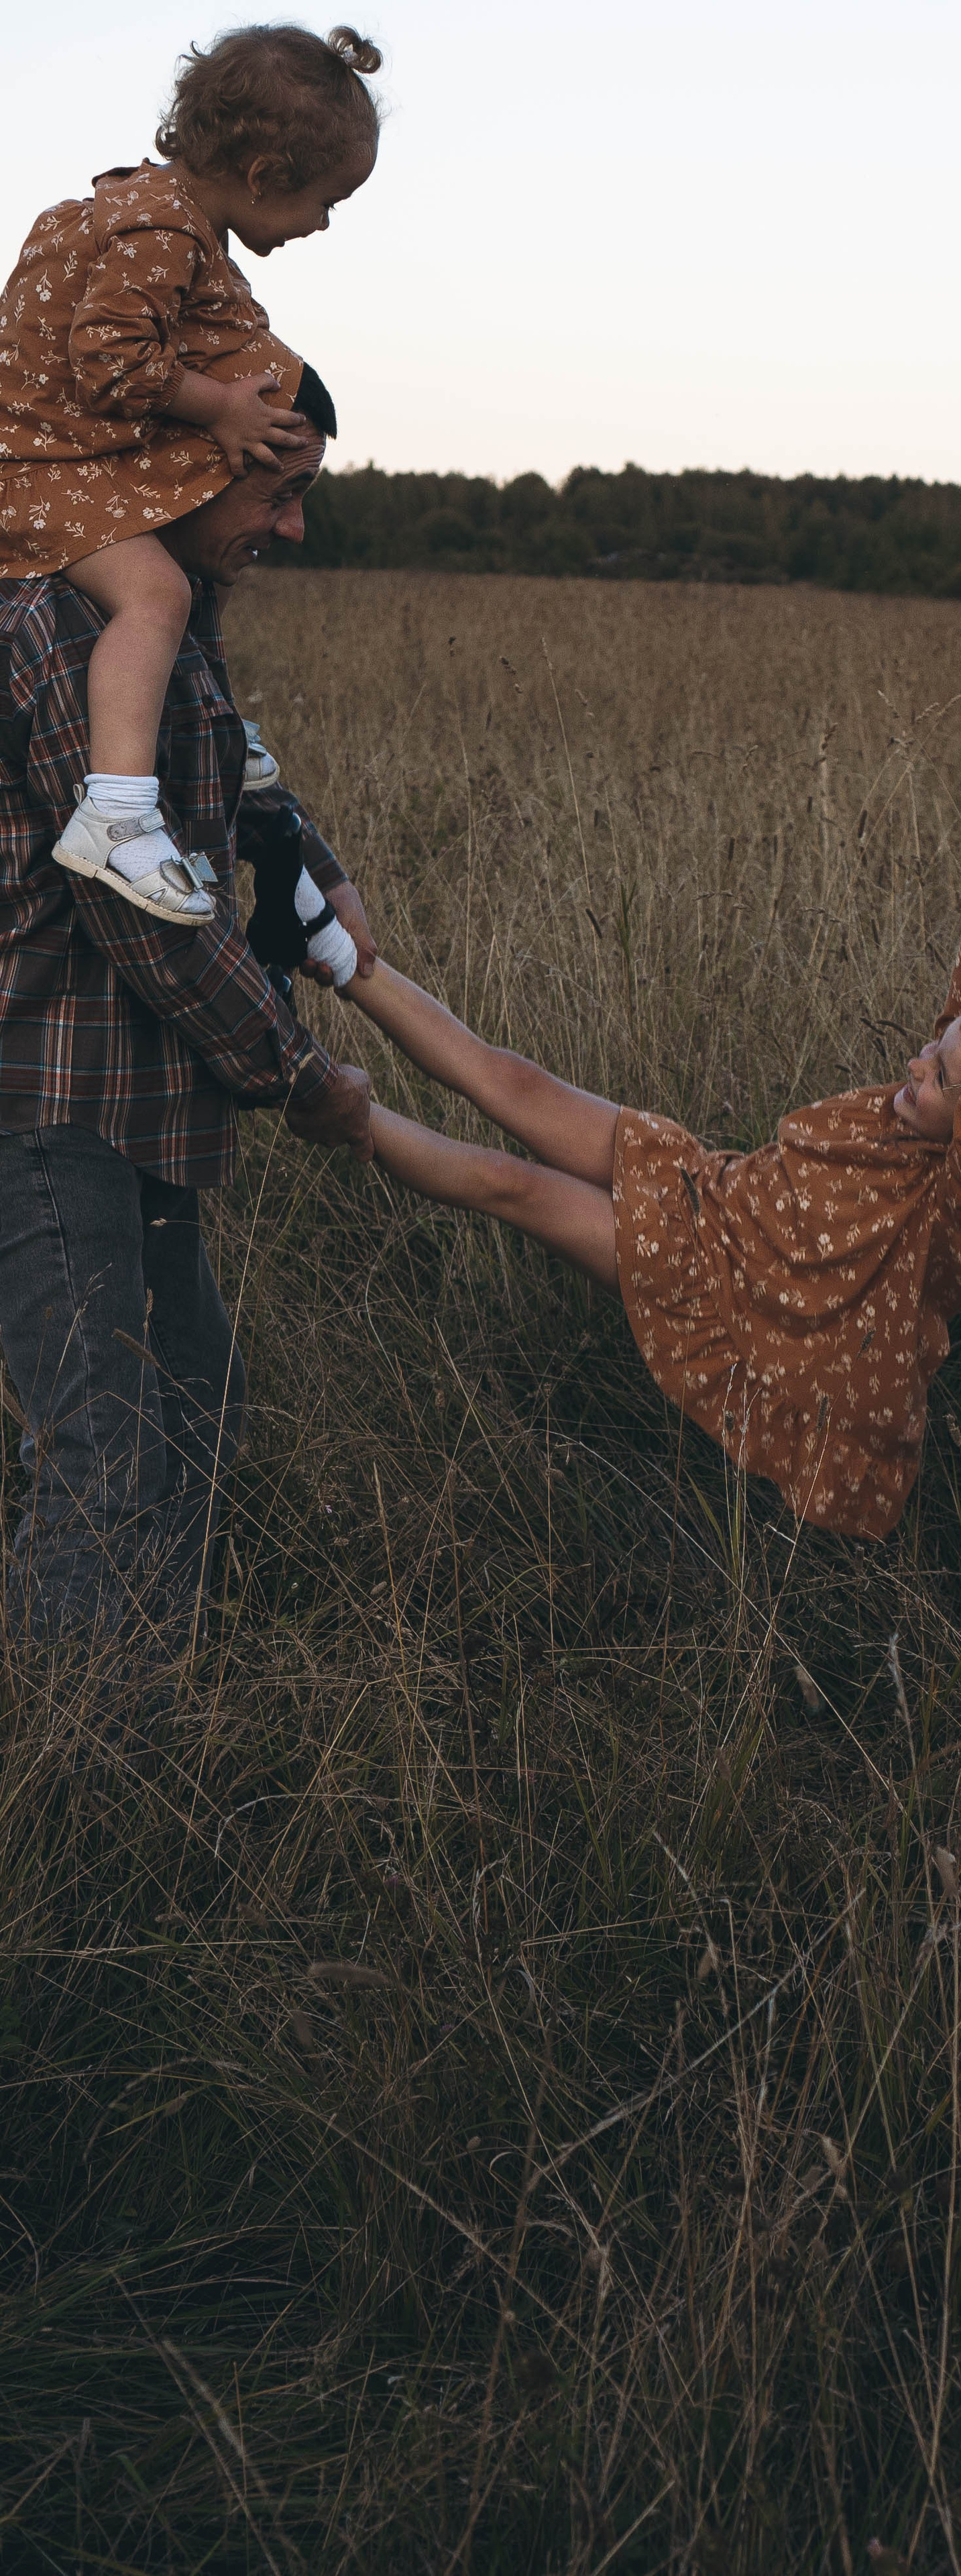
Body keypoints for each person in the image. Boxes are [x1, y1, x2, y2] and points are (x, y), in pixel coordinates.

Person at [333, 859, 961, 1538]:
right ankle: (328, 947)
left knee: (516, 1187)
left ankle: (323, 1097)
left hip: (713, 1289)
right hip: (703, 1185)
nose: (918, 1064)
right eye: (931, 1050)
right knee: (513, 1079)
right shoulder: (922, 1110)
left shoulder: (957, 1211)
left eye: (940, 1074)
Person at [0, 383, 374, 1656]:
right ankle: (78, 1799)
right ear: (180, 464)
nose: (296, 526)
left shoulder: (168, 619)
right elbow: (135, 916)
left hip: (139, 1107)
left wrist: (306, 852)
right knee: (104, 1455)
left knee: (190, 1423)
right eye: (279, 489)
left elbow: (227, 772)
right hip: (47, 1100)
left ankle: (169, 1729)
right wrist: (295, 1071)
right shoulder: (59, 615)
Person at [0, 23, 381, 928]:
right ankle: (119, 812)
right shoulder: (162, 229)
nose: (324, 223)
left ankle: (202, 719)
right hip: (31, 465)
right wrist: (219, 410)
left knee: (189, 569)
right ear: (262, 176)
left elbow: (243, 338)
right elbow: (108, 360)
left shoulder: (179, 226)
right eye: (326, 200)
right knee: (159, 595)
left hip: (67, 450)